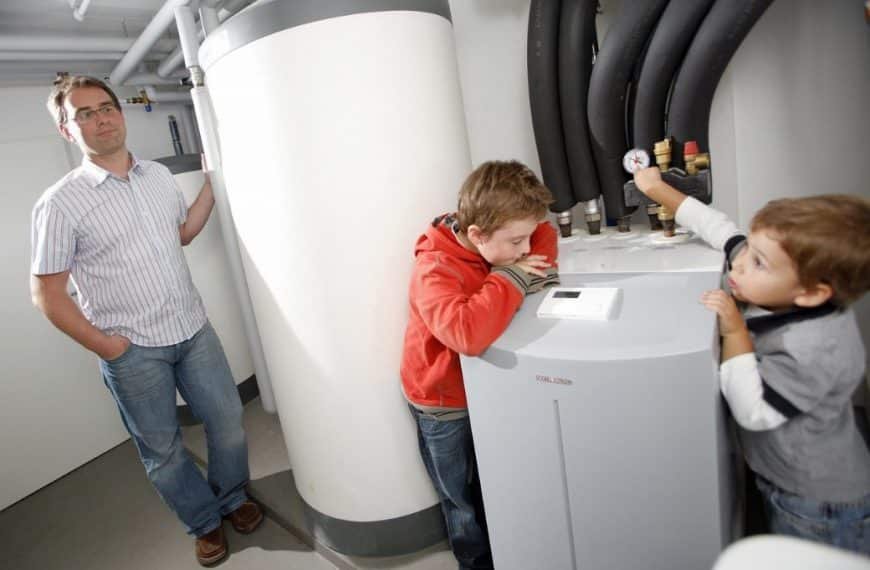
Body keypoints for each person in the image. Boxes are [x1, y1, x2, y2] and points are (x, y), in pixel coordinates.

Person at [30, 75, 262, 566]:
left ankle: (233, 497)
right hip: (133, 351)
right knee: (164, 450)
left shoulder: (157, 176)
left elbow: (180, 235)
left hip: (192, 328)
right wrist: (108, 346)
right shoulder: (59, 203)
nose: (101, 118)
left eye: (106, 106)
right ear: (67, 131)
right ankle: (203, 522)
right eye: (85, 114)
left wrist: (211, 187)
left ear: (121, 112)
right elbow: (47, 295)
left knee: (229, 424)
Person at [633, 166, 870, 555]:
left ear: (812, 294)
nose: (739, 266)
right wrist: (658, 190)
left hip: (817, 503)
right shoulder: (784, 280)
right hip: (786, 476)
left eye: (758, 263)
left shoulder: (815, 349)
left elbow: (754, 411)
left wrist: (734, 333)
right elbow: (722, 229)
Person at [400, 160, 560, 569]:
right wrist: (512, 279)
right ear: (475, 234)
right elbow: (467, 334)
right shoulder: (434, 269)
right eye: (516, 242)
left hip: (487, 389)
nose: (528, 249)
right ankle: (474, 562)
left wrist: (513, 268)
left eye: (525, 240)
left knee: (494, 481)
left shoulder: (508, 233)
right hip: (443, 403)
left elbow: (544, 234)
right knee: (460, 500)